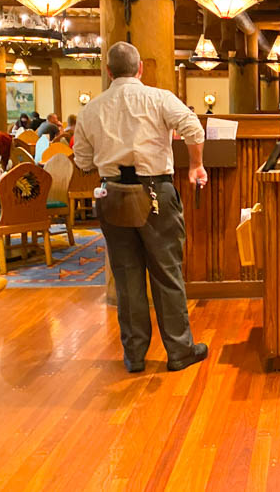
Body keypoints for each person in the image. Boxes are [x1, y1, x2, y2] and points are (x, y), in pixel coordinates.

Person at [73, 41, 208, 374]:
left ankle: (134, 355)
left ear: (108, 72)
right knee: (167, 272)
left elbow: (84, 161)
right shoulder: (159, 98)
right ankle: (179, 350)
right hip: (155, 192)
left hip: (112, 194)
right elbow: (193, 129)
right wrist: (195, 165)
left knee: (126, 275)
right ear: (140, 68)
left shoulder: (90, 110)